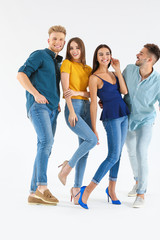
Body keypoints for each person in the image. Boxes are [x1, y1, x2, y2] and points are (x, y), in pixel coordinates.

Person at [17, 25, 66, 205]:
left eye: (61, 39)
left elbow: (53, 85)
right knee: (46, 142)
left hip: (53, 109)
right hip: (38, 107)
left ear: (64, 42)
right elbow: (21, 74)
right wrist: (36, 94)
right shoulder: (39, 55)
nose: (57, 42)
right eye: (54, 39)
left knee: (44, 146)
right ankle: (42, 187)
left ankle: (33, 192)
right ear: (48, 40)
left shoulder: (57, 61)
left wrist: (56, 102)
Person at [76, 44, 130, 209]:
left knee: (118, 155)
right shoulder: (94, 78)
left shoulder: (114, 74)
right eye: (101, 54)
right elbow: (93, 104)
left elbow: (124, 91)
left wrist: (118, 70)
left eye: (107, 54)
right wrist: (94, 128)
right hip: (111, 118)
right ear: (96, 57)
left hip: (123, 115)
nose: (105, 57)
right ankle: (87, 191)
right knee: (113, 155)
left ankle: (111, 190)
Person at [123, 44, 160, 208]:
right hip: (128, 117)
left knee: (141, 151)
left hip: (146, 120)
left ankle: (141, 194)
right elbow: (119, 89)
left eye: (141, 53)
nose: (137, 54)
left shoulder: (159, 81)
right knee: (130, 151)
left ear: (149, 59)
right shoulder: (129, 70)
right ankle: (137, 181)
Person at [58, 37, 98, 204]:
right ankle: (67, 167)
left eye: (77, 48)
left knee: (85, 151)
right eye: (71, 48)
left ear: (82, 50)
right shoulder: (67, 63)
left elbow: (92, 93)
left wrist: (81, 93)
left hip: (86, 107)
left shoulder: (88, 69)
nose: (74, 51)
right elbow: (66, 90)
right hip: (73, 107)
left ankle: (76, 190)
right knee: (92, 140)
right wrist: (72, 111)